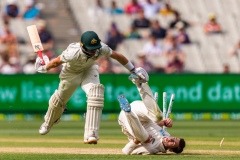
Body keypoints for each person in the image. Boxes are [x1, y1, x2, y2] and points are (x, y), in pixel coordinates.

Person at [34, 31, 148, 144]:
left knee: (95, 93)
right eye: (90, 48)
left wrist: (133, 70)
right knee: (59, 100)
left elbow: (117, 56)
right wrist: (44, 68)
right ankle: (48, 123)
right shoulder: (73, 52)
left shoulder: (100, 48)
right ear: (83, 46)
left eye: (95, 48)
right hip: (70, 74)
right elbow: (56, 62)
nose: (94, 51)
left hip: (89, 70)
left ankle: (91, 134)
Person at [118, 73, 186, 155]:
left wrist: (137, 140)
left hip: (127, 121)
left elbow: (126, 151)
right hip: (137, 110)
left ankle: (128, 112)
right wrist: (164, 122)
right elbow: (152, 125)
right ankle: (138, 82)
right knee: (158, 117)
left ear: (170, 150)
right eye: (174, 138)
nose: (171, 139)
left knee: (144, 137)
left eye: (173, 143)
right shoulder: (166, 134)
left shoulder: (152, 149)